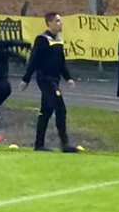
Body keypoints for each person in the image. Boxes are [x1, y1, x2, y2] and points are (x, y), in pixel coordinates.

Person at [20, 12, 80, 152]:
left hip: (55, 80)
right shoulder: (42, 39)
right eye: (58, 21)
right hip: (45, 80)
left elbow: (61, 62)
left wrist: (68, 77)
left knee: (45, 111)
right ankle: (64, 144)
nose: (60, 23)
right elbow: (33, 59)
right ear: (49, 23)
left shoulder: (58, 40)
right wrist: (26, 79)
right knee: (60, 108)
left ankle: (39, 144)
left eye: (60, 21)